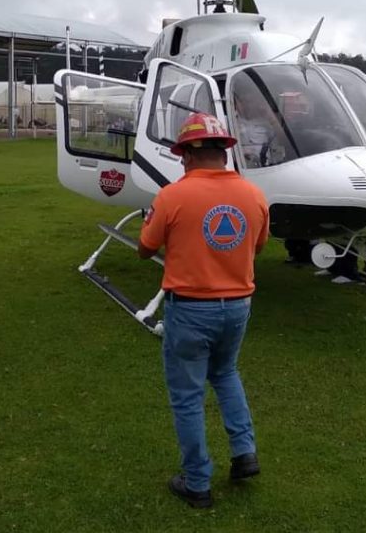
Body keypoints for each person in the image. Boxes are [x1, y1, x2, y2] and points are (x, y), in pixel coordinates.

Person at [138, 113, 269, 509]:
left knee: (187, 396)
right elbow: (257, 248)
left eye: (181, 155)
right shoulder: (254, 195)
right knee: (226, 373)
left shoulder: (172, 196)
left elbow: (144, 249)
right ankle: (244, 451)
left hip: (192, 308)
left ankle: (197, 482)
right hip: (238, 307)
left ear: (190, 155)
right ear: (223, 152)